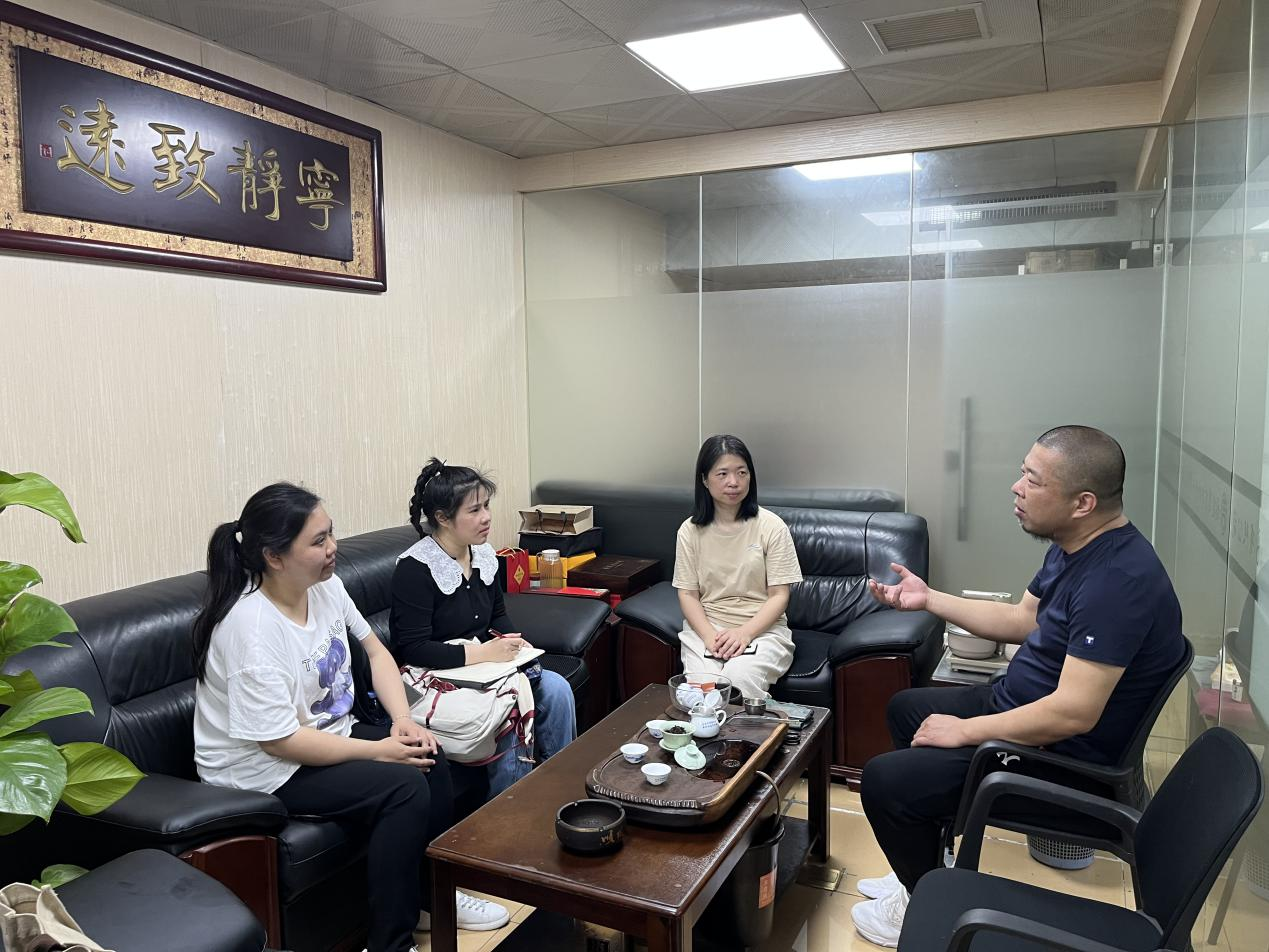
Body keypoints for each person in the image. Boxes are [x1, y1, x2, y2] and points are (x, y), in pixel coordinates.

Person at [851, 426, 1185, 948]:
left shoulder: (1117, 582)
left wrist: (966, 731)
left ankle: (923, 901)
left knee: (886, 782)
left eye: (1033, 480)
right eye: (1022, 473)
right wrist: (928, 599)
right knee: (906, 709)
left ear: (1083, 502)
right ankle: (929, 866)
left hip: (1062, 759)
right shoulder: (1075, 544)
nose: (1016, 487)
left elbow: (1074, 713)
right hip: (1022, 705)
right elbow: (1022, 620)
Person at [191, 483, 507, 952]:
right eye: (318, 541)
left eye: (331, 533)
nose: (332, 548)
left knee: (428, 755)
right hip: (262, 770)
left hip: (323, 734)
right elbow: (280, 741)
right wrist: (379, 751)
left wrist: (402, 720)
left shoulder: (325, 586)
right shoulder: (250, 630)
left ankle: (429, 900)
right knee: (402, 786)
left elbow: (376, 652)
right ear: (274, 557)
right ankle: (389, 944)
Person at [390, 459, 576, 797]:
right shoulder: (415, 569)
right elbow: (413, 649)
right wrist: (485, 653)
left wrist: (515, 643)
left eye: (486, 506)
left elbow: (497, 617)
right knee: (508, 711)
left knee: (557, 689)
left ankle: (557, 791)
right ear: (443, 518)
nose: (486, 517)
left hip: (482, 671)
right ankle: (511, 814)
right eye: (474, 510)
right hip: (435, 676)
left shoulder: (482, 555)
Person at [672, 434, 803, 700]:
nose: (734, 482)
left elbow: (780, 595)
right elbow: (687, 594)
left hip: (763, 631)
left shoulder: (771, 526)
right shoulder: (689, 531)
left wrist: (744, 634)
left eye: (742, 472)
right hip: (708, 628)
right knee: (701, 691)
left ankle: (754, 729)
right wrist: (709, 636)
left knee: (738, 683)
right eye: (722, 474)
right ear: (704, 479)